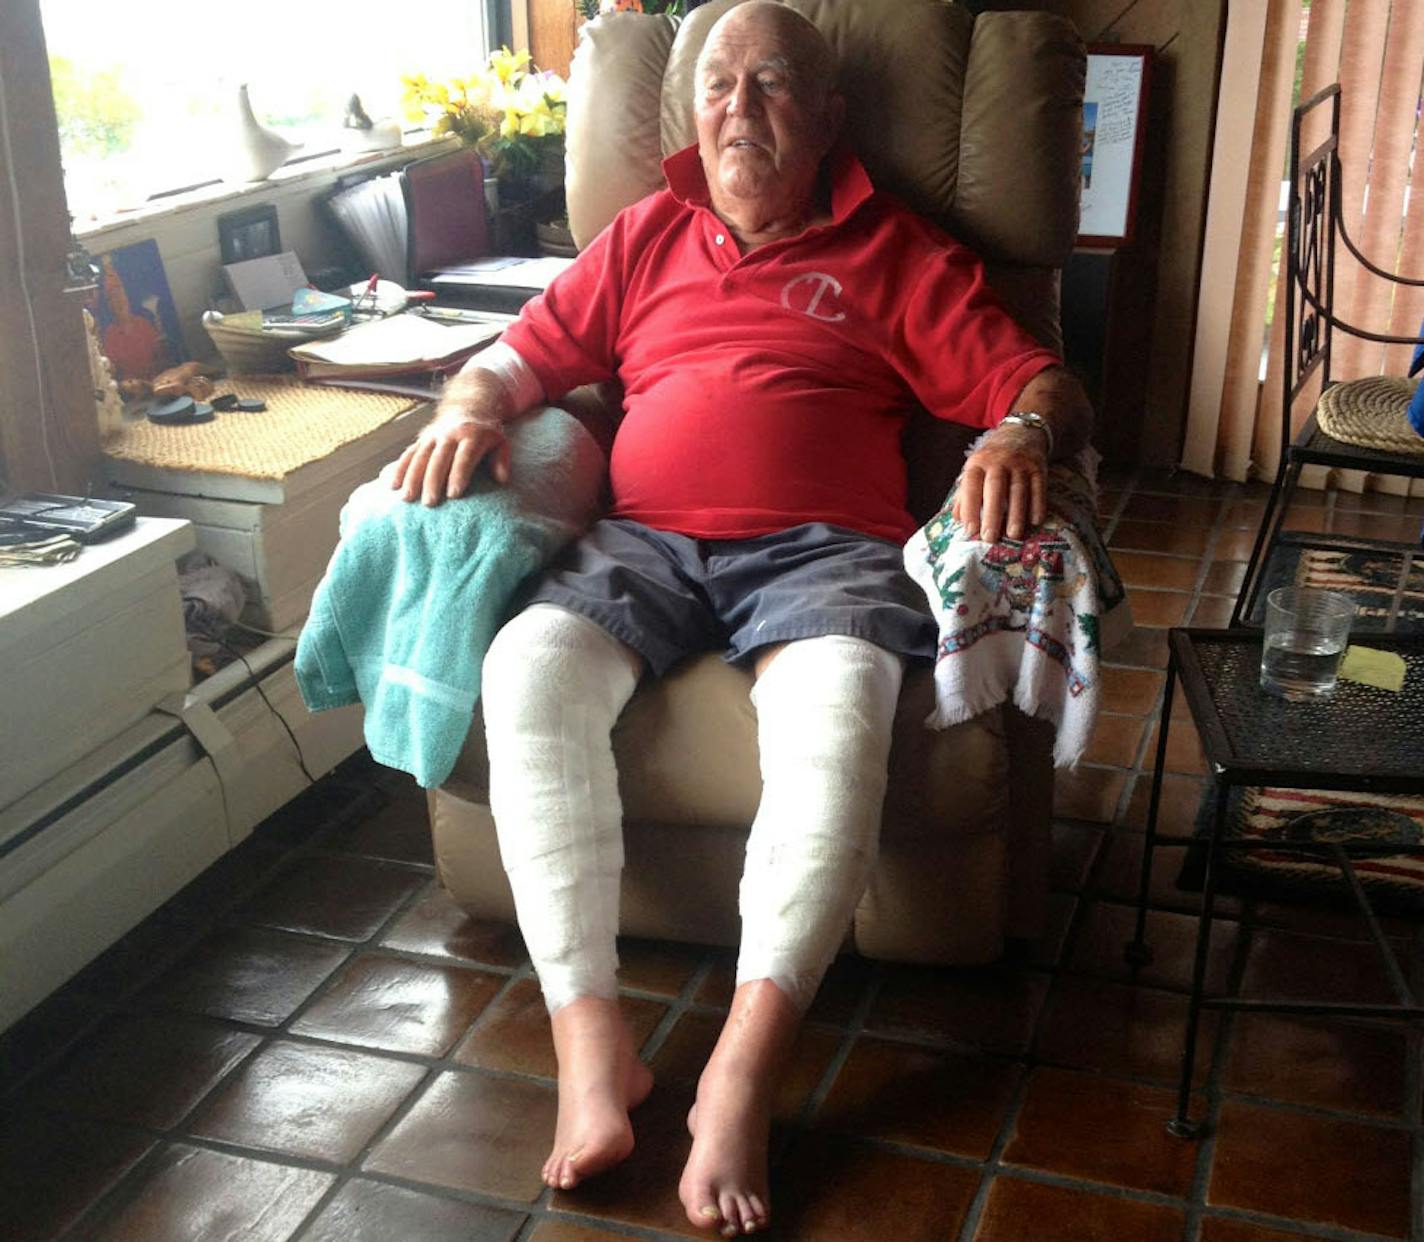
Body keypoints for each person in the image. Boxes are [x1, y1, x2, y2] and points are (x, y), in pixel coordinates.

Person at [391, 3, 1092, 1234]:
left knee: (836, 716)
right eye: (718, 85)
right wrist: (467, 407)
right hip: (642, 543)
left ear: (827, 119)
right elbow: (519, 356)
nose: (738, 109)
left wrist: (1023, 430)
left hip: (823, 554)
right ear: (688, 111)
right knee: (527, 672)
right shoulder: (641, 234)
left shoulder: (896, 251)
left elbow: (1035, 379)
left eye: (772, 86)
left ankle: (741, 1070)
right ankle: (592, 1041)